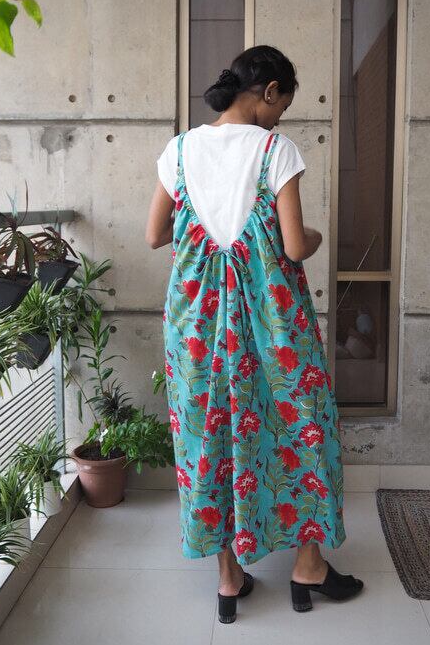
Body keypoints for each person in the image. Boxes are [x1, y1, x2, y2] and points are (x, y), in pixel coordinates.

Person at [145, 44, 363, 622]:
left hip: (196, 321)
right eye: (281, 105)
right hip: (273, 320)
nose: (279, 118)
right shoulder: (274, 150)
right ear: (268, 92)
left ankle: (228, 578)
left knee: (207, 436)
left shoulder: (179, 149)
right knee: (302, 423)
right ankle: (308, 566)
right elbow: (294, 246)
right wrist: (314, 237)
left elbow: (154, 234)